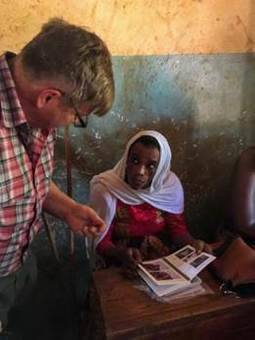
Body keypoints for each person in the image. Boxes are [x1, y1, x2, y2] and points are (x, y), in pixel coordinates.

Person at [0, 17, 114, 336]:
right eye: (78, 117)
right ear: (49, 97)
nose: (69, 124)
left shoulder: (35, 114)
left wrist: (69, 210)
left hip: (21, 262)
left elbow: (25, 179)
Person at [90, 130, 210, 269]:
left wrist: (194, 244)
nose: (139, 171)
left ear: (161, 169)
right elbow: (100, 241)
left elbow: (178, 231)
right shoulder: (107, 188)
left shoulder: (169, 187)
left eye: (151, 166)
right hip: (118, 263)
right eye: (134, 160)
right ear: (126, 160)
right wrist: (121, 254)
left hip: (161, 264)